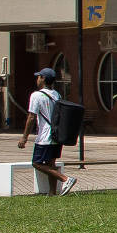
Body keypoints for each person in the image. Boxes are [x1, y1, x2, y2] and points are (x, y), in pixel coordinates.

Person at [17, 65, 73, 196]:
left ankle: (66, 179)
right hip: (57, 135)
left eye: (39, 77)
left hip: (45, 136)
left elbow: (31, 117)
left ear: (43, 79)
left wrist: (24, 137)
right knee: (50, 164)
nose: (37, 79)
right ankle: (52, 193)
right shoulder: (57, 94)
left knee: (36, 163)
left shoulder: (36, 95)